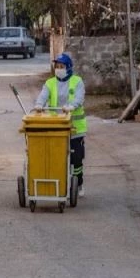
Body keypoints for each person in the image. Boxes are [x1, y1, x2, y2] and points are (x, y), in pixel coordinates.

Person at [33, 53, 88, 196]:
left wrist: (72, 106)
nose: (58, 69)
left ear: (68, 68)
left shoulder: (77, 81)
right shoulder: (50, 82)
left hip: (75, 128)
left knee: (76, 159)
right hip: (56, 127)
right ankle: (58, 183)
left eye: (61, 66)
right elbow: (43, 95)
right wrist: (39, 104)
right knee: (56, 156)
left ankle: (79, 184)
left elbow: (79, 97)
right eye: (57, 66)